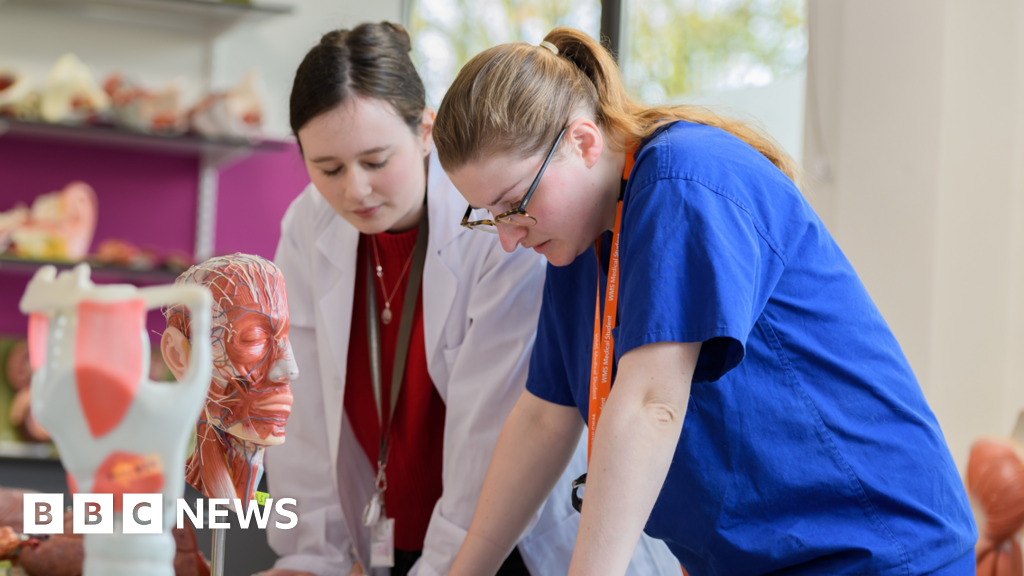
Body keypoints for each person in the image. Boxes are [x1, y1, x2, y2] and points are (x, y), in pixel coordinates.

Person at [433, 27, 978, 576]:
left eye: (514, 204)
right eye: (489, 216)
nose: (508, 237)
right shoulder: (574, 243)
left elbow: (651, 405)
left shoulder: (684, 181)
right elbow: (541, 422)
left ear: (581, 142)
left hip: (871, 553)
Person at [259, 23, 681, 576]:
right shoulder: (307, 228)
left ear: (424, 130)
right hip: (390, 535)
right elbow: (298, 406)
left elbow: (500, 430)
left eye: (376, 161)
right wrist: (310, 557)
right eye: (328, 169)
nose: (353, 190)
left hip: (508, 543)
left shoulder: (507, 223)